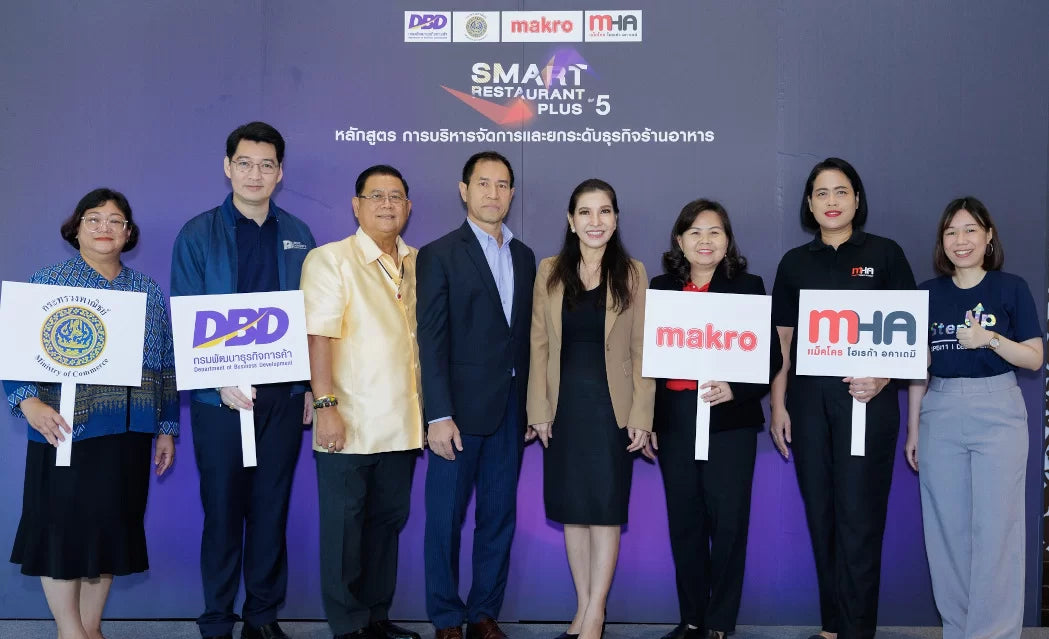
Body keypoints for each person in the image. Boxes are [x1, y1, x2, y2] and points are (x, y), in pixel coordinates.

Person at [4, 188, 177, 639]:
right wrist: (28, 401)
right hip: (64, 429)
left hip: (129, 432)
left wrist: (166, 428)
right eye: (94, 219)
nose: (105, 228)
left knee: (110, 531)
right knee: (62, 532)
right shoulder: (49, 282)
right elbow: (12, 352)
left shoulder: (147, 291)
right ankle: (69, 632)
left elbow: (164, 366)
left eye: (115, 220)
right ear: (76, 228)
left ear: (129, 233)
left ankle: (92, 628)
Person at [170, 121, 316, 639]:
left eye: (267, 164)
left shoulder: (298, 234)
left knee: (271, 508)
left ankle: (262, 616)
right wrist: (217, 380)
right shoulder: (198, 233)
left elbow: (312, 318)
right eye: (246, 163)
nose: (256, 173)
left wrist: (308, 388)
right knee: (223, 510)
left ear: (280, 173)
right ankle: (216, 619)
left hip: (280, 398)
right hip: (219, 400)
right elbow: (186, 315)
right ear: (227, 167)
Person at [769, 157, 915, 639]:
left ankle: (856, 630)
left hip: (870, 404)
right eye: (821, 193)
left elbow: (908, 339)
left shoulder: (886, 254)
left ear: (857, 199)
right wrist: (779, 405)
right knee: (823, 514)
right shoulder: (795, 262)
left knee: (861, 517)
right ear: (809, 204)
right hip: (810, 402)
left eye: (841, 192)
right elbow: (783, 344)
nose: (831, 202)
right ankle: (833, 626)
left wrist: (883, 378)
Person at [905, 197, 1041, 639]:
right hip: (940, 411)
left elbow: (1035, 358)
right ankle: (959, 629)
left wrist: (991, 338)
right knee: (946, 529)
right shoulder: (926, 293)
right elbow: (917, 369)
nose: (960, 241)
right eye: (951, 232)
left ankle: (994, 633)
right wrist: (914, 429)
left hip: (998, 409)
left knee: (997, 530)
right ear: (942, 242)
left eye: (969, 230)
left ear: (988, 237)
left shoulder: (1011, 287)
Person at [417, 151, 536, 639]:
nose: (493, 193)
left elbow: (526, 339)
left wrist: (530, 407)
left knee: (498, 516)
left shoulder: (526, 256)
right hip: (457, 415)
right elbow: (432, 339)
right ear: (464, 190)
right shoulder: (440, 253)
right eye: (483, 184)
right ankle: (446, 618)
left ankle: (483, 613)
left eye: (502, 185)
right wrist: (438, 413)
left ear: (511, 193)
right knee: (444, 520)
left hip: (510, 411)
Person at [648, 200, 780, 639]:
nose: (705, 241)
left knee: (728, 524)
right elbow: (647, 360)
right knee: (684, 522)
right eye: (695, 233)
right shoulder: (661, 287)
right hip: (677, 419)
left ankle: (720, 623)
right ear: (680, 242)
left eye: (715, 232)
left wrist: (736, 388)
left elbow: (771, 356)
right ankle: (691, 619)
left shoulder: (747, 286)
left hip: (729, 421)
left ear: (727, 242)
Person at [301, 165, 424, 639]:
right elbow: (319, 337)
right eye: (376, 195)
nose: (387, 204)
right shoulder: (330, 260)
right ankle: (348, 625)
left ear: (409, 207)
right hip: (348, 422)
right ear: (356, 205)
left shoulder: (417, 262)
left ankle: (376, 616)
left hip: (402, 424)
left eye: (396, 196)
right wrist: (325, 404)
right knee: (344, 531)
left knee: (386, 525)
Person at [527, 179, 653, 639]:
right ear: (570, 219)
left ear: (616, 219)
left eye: (604, 212)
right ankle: (581, 608)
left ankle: (596, 613)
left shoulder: (634, 273)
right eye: (585, 212)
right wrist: (537, 408)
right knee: (573, 512)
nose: (595, 222)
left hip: (611, 411)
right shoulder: (550, 270)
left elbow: (642, 352)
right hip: (564, 410)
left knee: (604, 511)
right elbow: (537, 344)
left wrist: (642, 415)